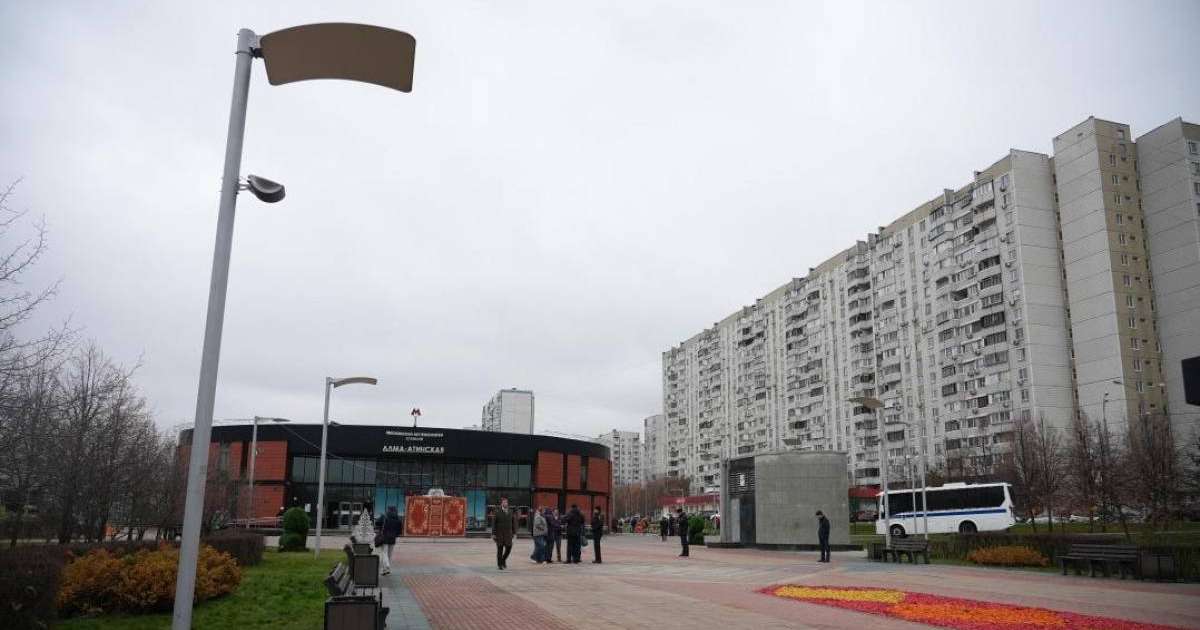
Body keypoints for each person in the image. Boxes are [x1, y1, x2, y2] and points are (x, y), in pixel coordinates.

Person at [376, 505, 402, 576]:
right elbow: (400, 531)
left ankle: (387, 565)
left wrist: (380, 518)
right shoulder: (398, 519)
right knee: (389, 554)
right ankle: (385, 570)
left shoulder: (384, 517)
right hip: (393, 539)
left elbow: (377, 523)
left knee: (384, 553)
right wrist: (395, 535)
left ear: (388, 510)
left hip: (384, 538)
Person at [492, 497, 517, 570]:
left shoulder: (511, 511)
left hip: (508, 534)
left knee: (509, 548)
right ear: (501, 503)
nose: (505, 503)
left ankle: (503, 560)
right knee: (500, 550)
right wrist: (493, 534)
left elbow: (513, 523)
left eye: (506, 502)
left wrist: (514, 532)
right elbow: (494, 523)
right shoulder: (497, 512)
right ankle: (500, 564)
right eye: (504, 502)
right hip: (499, 534)